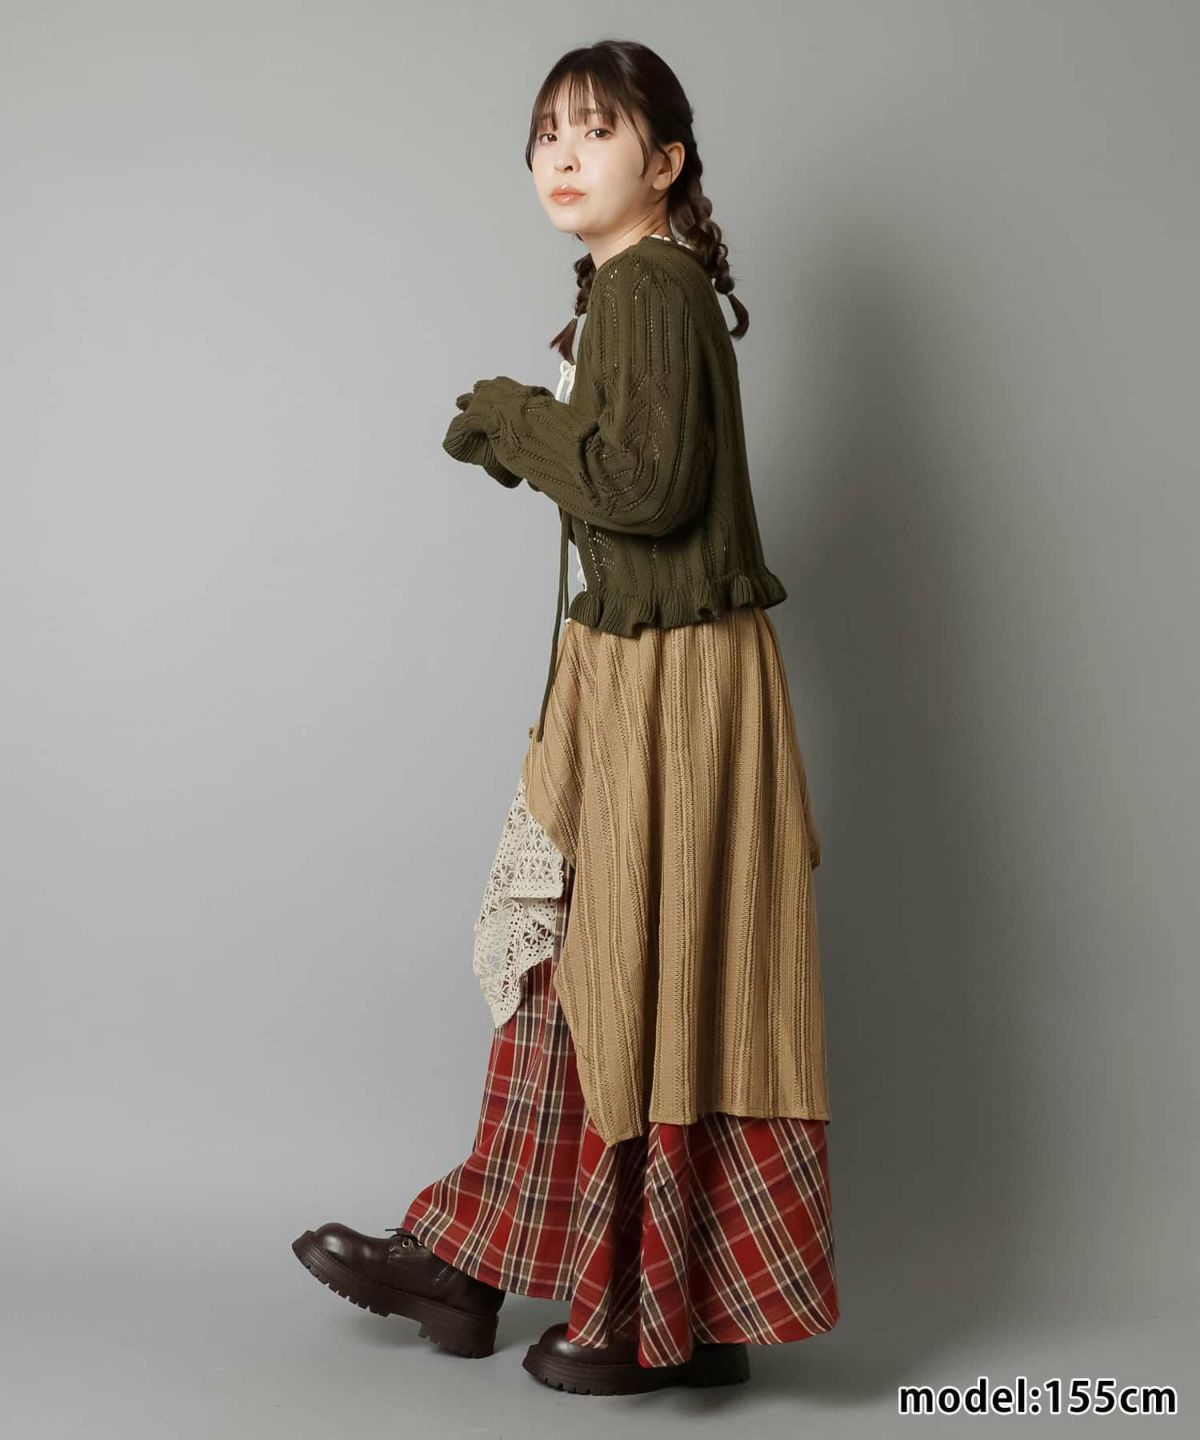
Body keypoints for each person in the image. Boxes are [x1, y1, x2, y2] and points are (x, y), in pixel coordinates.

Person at [292, 37, 839, 1397]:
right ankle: (499, 1263)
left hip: (670, 682)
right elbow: (640, 483)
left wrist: (511, 417)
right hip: (646, 671)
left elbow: (644, 493)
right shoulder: (639, 290)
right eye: (547, 131)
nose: (562, 153)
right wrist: (534, 432)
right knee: (599, 971)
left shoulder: (650, 286)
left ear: (666, 162)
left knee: (623, 971)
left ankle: (629, 1309)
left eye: (597, 130)